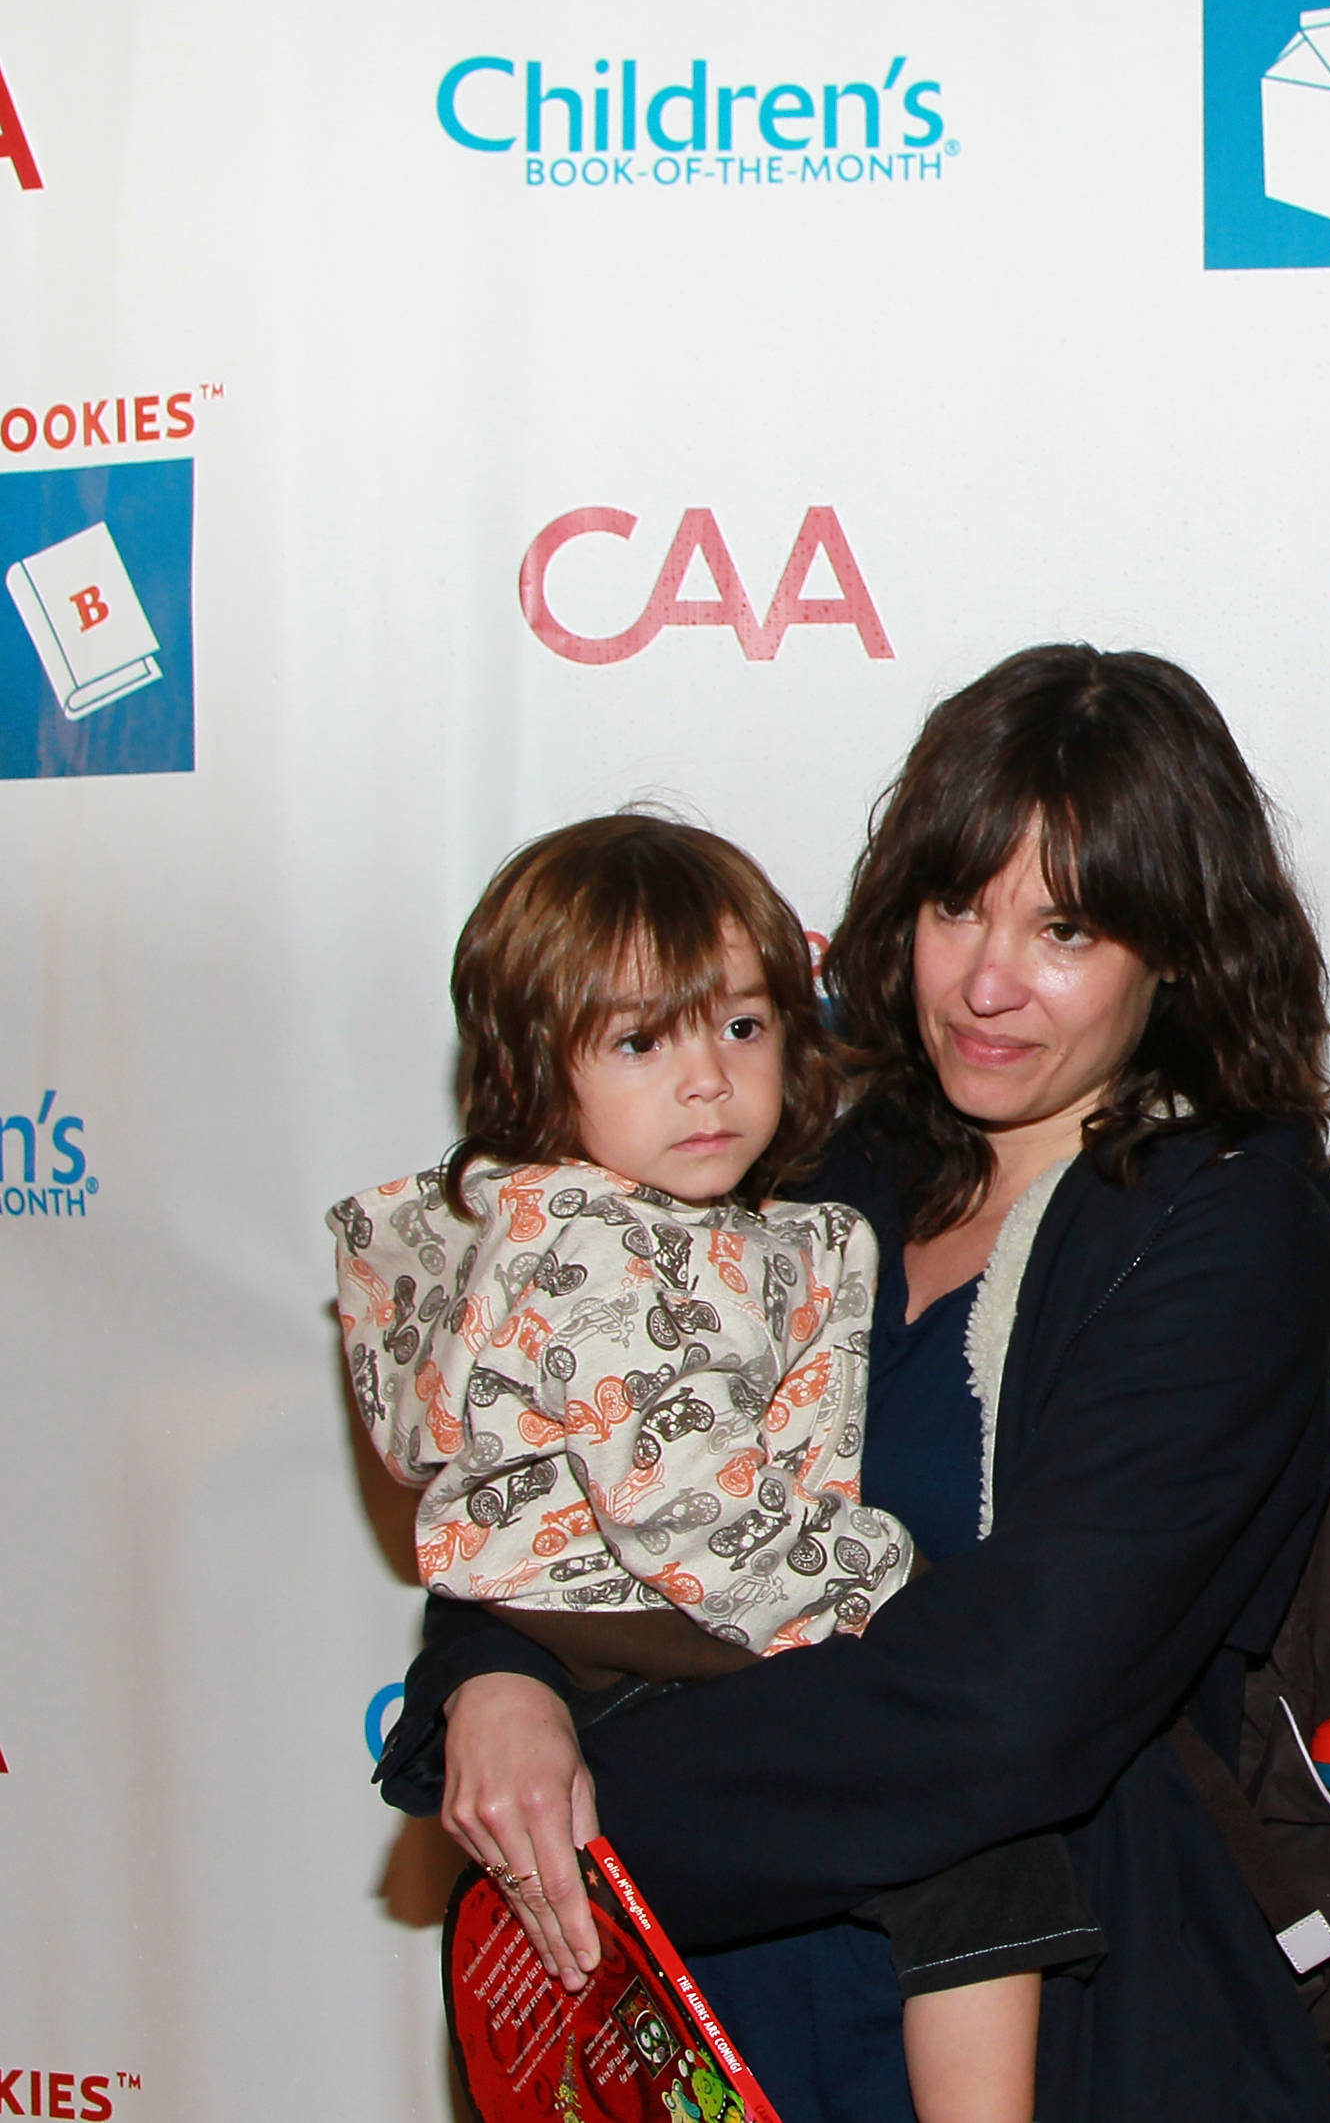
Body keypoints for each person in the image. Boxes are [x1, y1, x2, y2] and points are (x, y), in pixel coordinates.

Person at [375, 647, 1330, 2123]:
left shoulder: (1233, 1223)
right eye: (958, 903)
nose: (984, 978)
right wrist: (497, 1673)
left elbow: (1009, 1704)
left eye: (1067, 927)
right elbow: (572, 1417)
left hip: (1063, 2027)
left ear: (1181, 949)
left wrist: (588, 1817)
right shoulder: (812, 1149)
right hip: (711, 2026)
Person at [333, 813, 1088, 2123]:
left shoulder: (703, 1224)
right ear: (529, 1068)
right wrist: (892, 1590)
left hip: (634, 1637)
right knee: (980, 1840)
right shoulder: (600, 1257)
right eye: (641, 1041)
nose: (707, 1080)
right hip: (650, 1630)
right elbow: (696, 1516)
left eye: (741, 1027)